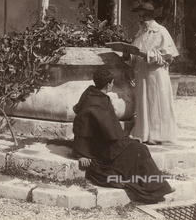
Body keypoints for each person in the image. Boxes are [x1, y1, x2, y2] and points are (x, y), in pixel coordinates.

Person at [73, 68, 174, 204]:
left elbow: (109, 129)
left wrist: (127, 139)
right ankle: (156, 189)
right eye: (112, 83)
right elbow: (82, 128)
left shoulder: (90, 94)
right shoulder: (98, 102)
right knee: (140, 150)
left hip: (104, 142)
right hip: (100, 149)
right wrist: (82, 154)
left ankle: (155, 186)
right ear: (109, 84)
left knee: (136, 146)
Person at [122, 2, 179, 145]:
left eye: (144, 17)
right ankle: (144, 133)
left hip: (156, 75)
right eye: (139, 16)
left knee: (155, 101)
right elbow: (135, 58)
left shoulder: (161, 32)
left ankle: (158, 135)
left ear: (151, 16)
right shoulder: (140, 35)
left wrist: (148, 55)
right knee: (143, 102)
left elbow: (168, 56)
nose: (141, 20)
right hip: (141, 74)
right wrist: (127, 55)